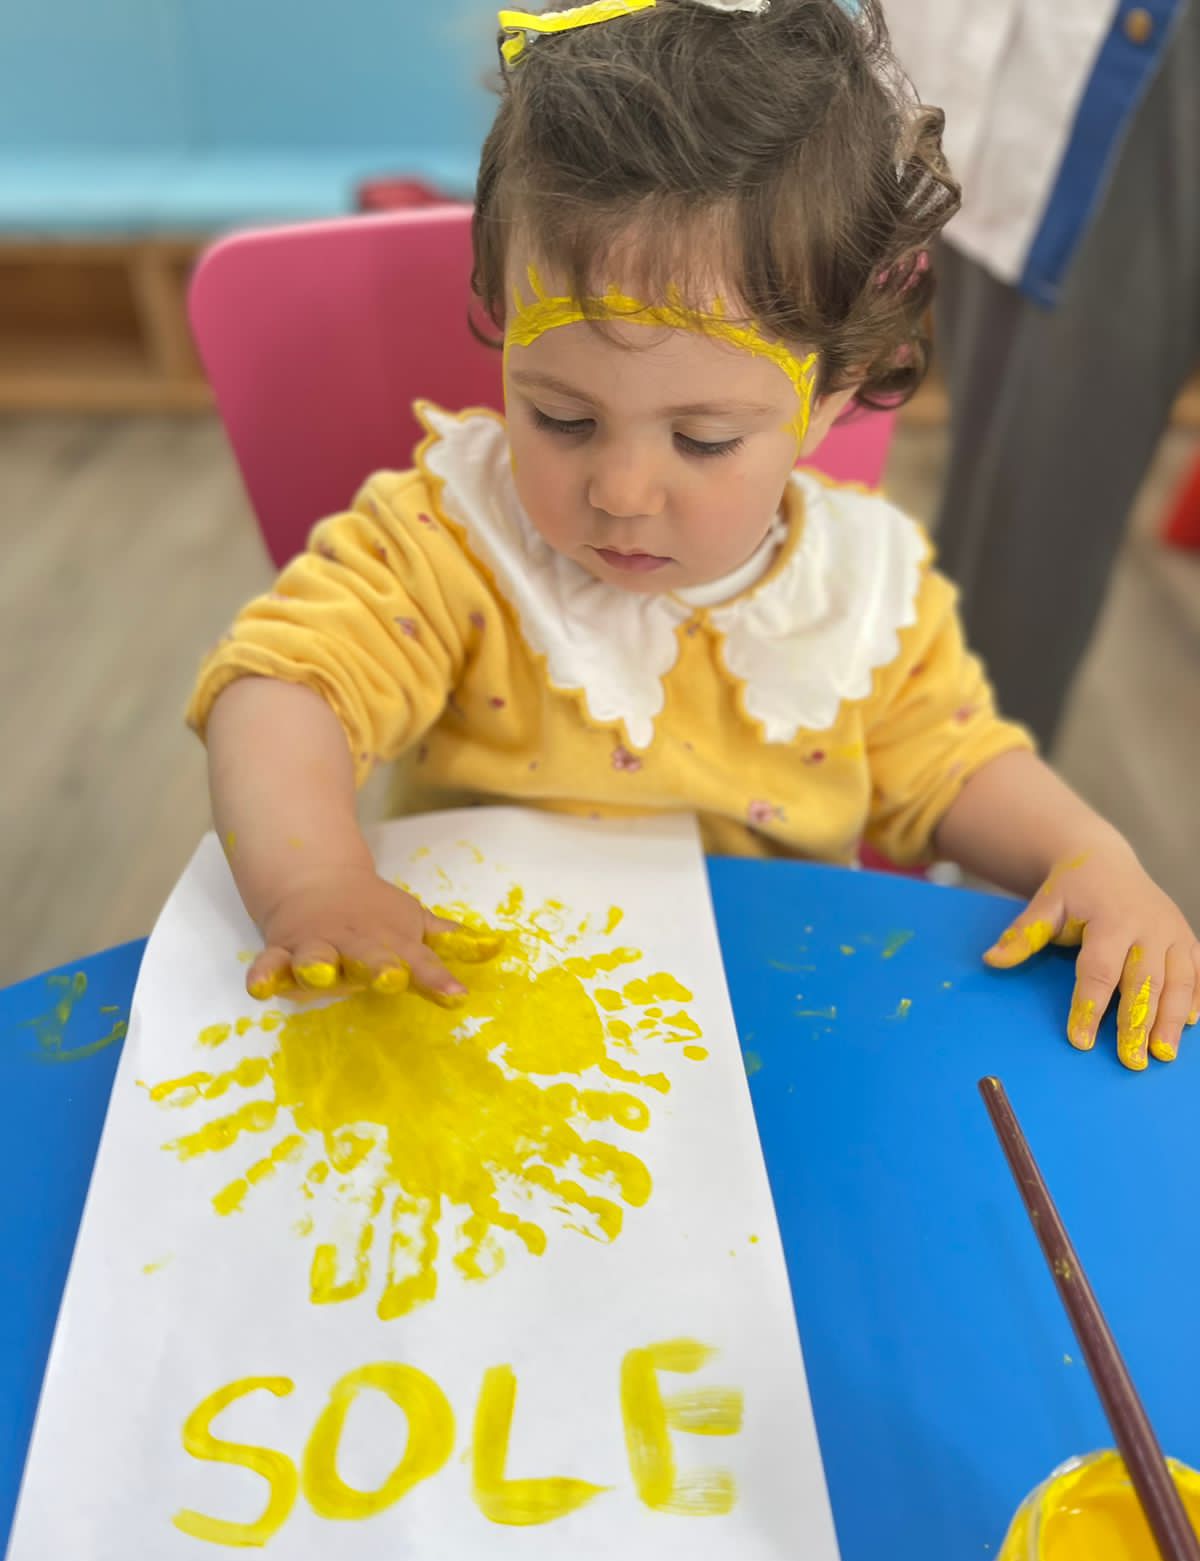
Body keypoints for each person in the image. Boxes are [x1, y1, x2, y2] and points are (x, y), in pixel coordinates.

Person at [189, 0, 1199, 1070]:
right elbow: (281, 688)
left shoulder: (858, 599)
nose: (623, 491)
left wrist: (1086, 851)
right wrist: (317, 880)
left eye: (703, 439)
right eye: (561, 418)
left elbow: (953, 768)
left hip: (769, 1033)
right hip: (482, 1016)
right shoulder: (448, 541)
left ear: (830, 396)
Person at [884, 0, 1199, 747]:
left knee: (1036, 514)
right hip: (996, 60)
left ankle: (968, 785)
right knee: (982, 472)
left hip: (1127, 62)